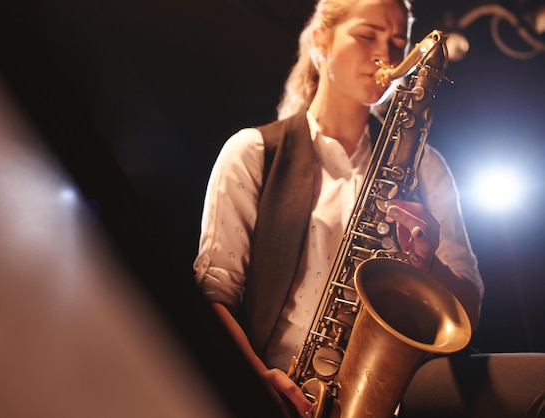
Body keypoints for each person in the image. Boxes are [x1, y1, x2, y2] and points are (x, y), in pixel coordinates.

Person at [193, 0, 545, 416]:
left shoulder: (426, 165)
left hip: (402, 394)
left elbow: (467, 312)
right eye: (367, 35)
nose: (389, 56)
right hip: (283, 392)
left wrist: (427, 263)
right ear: (321, 41)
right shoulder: (253, 151)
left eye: (399, 42)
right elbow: (213, 291)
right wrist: (254, 378)